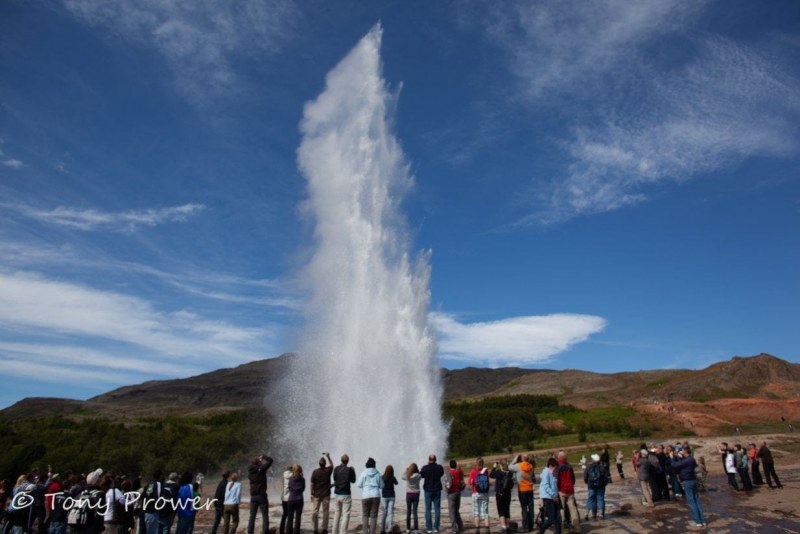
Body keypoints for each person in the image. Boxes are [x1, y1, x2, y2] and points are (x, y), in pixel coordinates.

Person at [670, 449, 706, 528]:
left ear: (686, 452)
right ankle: (702, 520)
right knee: (696, 500)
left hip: (688, 481)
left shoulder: (687, 460)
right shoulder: (690, 459)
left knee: (691, 501)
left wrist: (672, 457)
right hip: (692, 480)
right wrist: (680, 457)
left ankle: (698, 521)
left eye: (682, 451)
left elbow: (674, 465)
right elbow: (682, 464)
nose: (681, 452)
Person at [247, 454, 273, 534]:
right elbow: (270, 461)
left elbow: (253, 466)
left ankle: (250, 531)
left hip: (253, 496)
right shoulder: (261, 469)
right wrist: (263, 456)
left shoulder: (250, 472)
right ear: (258, 463)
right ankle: (265, 531)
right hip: (261, 495)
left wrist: (258, 462)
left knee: (252, 515)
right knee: (265, 514)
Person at [419, 454, 445, 534]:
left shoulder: (425, 468)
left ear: (429, 459)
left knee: (428, 509)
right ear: (435, 459)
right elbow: (441, 474)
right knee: (437, 509)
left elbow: (421, 475)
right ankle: (436, 527)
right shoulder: (439, 467)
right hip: (437, 490)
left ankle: (429, 528)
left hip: (428, 491)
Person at [508, 454, 534, 532]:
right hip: (530, 488)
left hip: (522, 489)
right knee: (531, 507)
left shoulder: (518, 466)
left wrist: (515, 459)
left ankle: (525, 526)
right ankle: (531, 525)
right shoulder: (531, 466)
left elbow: (509, 467)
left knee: (524, 508)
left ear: (522, 459)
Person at [357, 458, 384, 534]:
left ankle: (365, 532)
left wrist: (365, 486)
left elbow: (358, 485)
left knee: (365, 515)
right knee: (374, 516)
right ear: (374, 465)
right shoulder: (378, 473)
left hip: (365, 496)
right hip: (376, 496)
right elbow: (382, 485)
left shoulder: (364, 473)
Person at [555, 452, 580, 534]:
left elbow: (557, 479)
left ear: (560, 458)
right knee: (573, 510)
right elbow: (573, 478)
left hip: (562, 490)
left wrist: (557, 488)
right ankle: (577, 528)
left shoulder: (558, 467)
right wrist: (571, 485)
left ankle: (561, 529)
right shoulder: (569, 466)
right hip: (570, 489)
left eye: (558, 457)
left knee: (561, 510)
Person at [333, 455, 357, 534]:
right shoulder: (350, 470)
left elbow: (335, 479)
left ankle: (334, 532)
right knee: (346, 515)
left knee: (337, 513)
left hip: (337, 494)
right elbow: (353, 481)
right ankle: (343, 532)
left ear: (341, 460)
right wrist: (353, 471)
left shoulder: (336, 469)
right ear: (348, 461)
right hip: (346, 494)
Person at [311, 453, 334, 534]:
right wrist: (328, 456)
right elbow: (332, 465)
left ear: (319, 464)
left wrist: (311, 493)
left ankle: (315, 529)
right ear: (325, 464)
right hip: (326, 495)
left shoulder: (315, 472)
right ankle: (324, 529)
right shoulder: (328, 471)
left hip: (316, 494)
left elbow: (312, 483)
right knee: (326, 512)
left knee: (315, 512)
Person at [538, 458, 560, 534]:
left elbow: (554, 485)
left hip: (553, 497)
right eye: (555, 467)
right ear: (550, 465)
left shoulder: (551, 473)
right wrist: (553, 495)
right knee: (551, 518)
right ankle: (541, 530)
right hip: (548, 497)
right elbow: (546, 486)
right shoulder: (546, 473)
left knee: (558, 517)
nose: (556, 469)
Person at [489, 461, 513, 534]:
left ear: (501, 466)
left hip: (500, 494)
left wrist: (494, 467)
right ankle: (508, 526)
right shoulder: (510, 473)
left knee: (501, 511)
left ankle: (503, 527)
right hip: (508, 494)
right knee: (507, 510)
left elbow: (491, 475)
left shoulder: (498, 472)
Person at [467, 458, 490, 534]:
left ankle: (477, 529)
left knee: (476, 512)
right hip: (485, 493)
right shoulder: (485, 470)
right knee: (485, 512)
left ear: (476, 463)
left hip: (476, 493)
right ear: (482, 463)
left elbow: (470, 482)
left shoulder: (473, 471)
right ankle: (487, 529)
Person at [583, 454, 607, 521]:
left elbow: (585, 476)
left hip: (591, 486)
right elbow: (606, 478)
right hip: (601, 486)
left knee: (591, 499)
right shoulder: (602, 468)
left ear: (593, 460)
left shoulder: (589, 467)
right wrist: (604, 484)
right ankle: (601, 514)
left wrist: (587, 482)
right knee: (600, 499)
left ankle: (587, 514)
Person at [445, 460, 464, 534]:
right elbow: (462, 482)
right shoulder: (459, 472)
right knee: (456, 510)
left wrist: (447, 490)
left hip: (452, 493)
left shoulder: (449, 472)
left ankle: (454, 528)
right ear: (455, 465)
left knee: (452, 512)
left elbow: (448, 483)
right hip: (458, 492)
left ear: (450, 465)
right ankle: (460, 526)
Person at [402, 464, 421, 534]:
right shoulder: (418, 475)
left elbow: (402, 477)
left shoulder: (407, 476)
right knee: (415, 512)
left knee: (408, 512)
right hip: (416, 494)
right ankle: (416, 529)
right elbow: (420, 474)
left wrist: (406, 470)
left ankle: (408, 528)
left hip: (409, 494)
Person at [287, 466, 305, 534]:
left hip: (291, 499)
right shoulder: (302, 479)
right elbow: (303, 489)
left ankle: (289, 532)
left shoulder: (291, 479)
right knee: (298, 518)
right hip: (299, 499)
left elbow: (289, 487)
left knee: (290, 518)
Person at [381, 465, 398, 534]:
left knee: (384, 513)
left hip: (384, 496)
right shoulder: (393, 478)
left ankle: (383, 529)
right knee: (390, 513)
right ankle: (389, 529)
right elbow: (396, 483)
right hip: (391, 496)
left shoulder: (382, 477)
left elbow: (380, 485)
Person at [280, 466, 293, 534]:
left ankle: (281, 530)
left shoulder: (283, 474)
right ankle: (289, 530)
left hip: (284, 496)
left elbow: (283, 484)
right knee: (290, 514)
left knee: (284, 514)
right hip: (290, 497)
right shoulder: (293, 475)